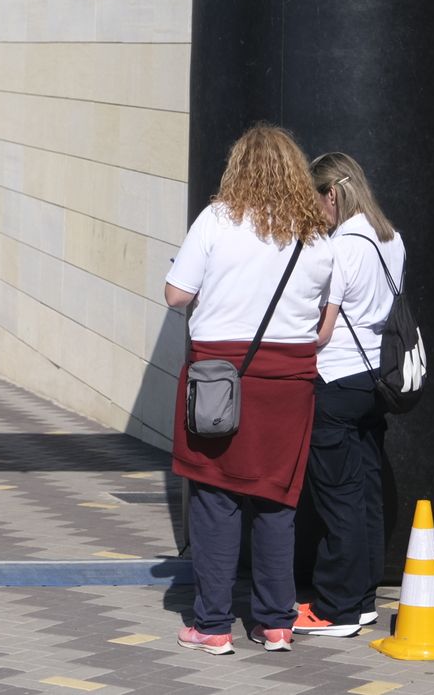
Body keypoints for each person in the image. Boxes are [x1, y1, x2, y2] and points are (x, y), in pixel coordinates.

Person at [164, 124, 334, 655]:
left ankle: (213, 625)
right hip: (290, 383)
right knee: (277, 499)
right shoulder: (315, 235)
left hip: (221, 375)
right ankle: (275, 623)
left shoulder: (217, 220)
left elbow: (175, 295)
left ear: (237, 167)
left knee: (215, 496)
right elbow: (321, 318)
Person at [294, 153, 402, 638]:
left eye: (314, 199)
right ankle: (361, 601)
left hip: (336, 380)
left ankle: (335, 609)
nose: (314, 211)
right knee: (366, 494)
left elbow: (323, 330)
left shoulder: (341, 247)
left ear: (332, 194)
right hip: (376, 380)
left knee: (338, 497)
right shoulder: (391, 238)